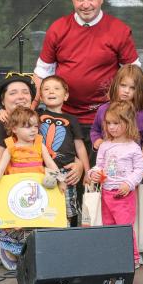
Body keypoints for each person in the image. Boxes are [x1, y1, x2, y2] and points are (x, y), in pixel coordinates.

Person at [0, 74, 83, 269]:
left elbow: (62, 150)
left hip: (44, 188)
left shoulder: (43, 122)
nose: (20, 96)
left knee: (57, 227)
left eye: (25, 92)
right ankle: (8, 245)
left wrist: (77, 164)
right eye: (13, 93)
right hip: (16, 193)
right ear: (3, 101)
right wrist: (18, 215)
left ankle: (20, 247)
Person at [33, 0, 141, 139]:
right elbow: (41, 73)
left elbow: (135, 75)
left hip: (108, 117)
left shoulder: (119, 30)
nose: (85, 4)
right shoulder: (57, 28)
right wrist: (32, 108)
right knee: (66, 164)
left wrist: (139, 110)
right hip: (62, 115)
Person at [0, 106, 64, 270]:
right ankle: (6, 248)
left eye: (35, 126)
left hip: (37, 193)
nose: (33, 130)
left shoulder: (39, 145)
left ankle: (19, 251)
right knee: (16, 225)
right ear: (14, 129)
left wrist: (61, 179)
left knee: (39, 224)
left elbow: (50, 164)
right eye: (27, 126)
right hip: (18, 192)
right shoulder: (10, 148)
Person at [87, 101, 143, 269]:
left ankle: (132, 257)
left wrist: (129, 183)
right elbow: (99, 165)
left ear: (127, 123)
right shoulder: (105, 145)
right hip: (107, 193)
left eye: (116, 123)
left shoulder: (133, 147)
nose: (111, 127)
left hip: (124, 195)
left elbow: (139, 169)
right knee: (109, 226)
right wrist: (93, 173)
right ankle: (113, 255)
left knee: (124, 227)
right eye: (109, 123)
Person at [38, 75, 90, 226]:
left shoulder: (72, 120)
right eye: (46, 89)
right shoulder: (37, 115)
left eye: (56, 88)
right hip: (42, 170)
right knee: (44, 206)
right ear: (41, 96)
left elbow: (79, 146)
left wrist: (87, 171)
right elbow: (19, 117)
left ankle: (66, 235)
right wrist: (3, 112)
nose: (51, 92)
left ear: (65, 95)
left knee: (67, 209)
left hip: (65, 172)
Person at [90, 64, 143, 161]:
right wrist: (97, 140)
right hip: (107, 164)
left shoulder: (142, 115)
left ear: (139, 91)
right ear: (116, 84)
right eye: (123, 85)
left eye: (132, 88)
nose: (127, 91)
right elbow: (95, 130)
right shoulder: (103, 109)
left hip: (132, 166)